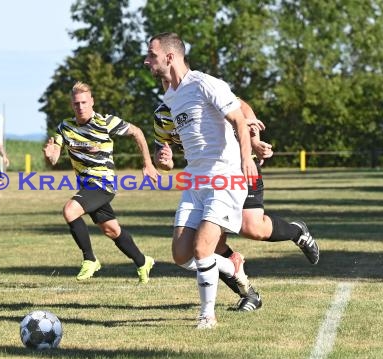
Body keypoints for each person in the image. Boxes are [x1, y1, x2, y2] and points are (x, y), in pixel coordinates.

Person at [154, 91, 320, 312]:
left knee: (251, 227)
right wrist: (163, 160)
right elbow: (161, 155)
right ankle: (248, 293)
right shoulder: (161, 115)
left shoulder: (203, 93)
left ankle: (296, 231)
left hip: (240, 168)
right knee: (211, 245)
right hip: (206, 180)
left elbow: (243, 107)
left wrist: (255, 142)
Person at [144, 32, 258, 329]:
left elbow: (238, 121)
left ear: (169, 57)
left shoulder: (205, 83)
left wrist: (247, 158)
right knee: (182, 256)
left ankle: (208, 315)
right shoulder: (170, 96)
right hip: (194, 181)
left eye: (152, 55)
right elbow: (186, 142)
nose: (147, 61)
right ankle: (231, 264)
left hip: (225, 176)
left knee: (203, 249)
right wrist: (165, 162)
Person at [43, 81, 159, 283]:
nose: (80, 106)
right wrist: (48, 155)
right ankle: (143, 262)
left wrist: (148, 163)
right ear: (72, 104)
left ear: (92, 102)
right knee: (111, 230)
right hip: (87, 187)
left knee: (70, 210)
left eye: (84, 102)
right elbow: (54, 159)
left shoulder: (105, 122)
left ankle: (90, 259)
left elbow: (137, 132)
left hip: (103, 183)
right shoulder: (65, 127)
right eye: (76, 103)